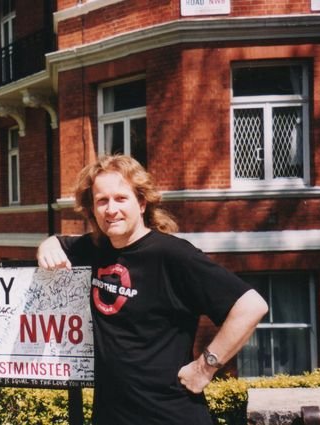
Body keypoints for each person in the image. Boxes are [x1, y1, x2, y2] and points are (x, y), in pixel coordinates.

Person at [37, 154, 268, 425]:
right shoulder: (96, 247)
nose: (111, 209)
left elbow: (251, 306)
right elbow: (59, 243)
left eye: (121, 198)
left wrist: (205, 368)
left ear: (142, 202)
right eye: (102, 201)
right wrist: (48, 245)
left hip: (170, 415)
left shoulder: (173, 255)